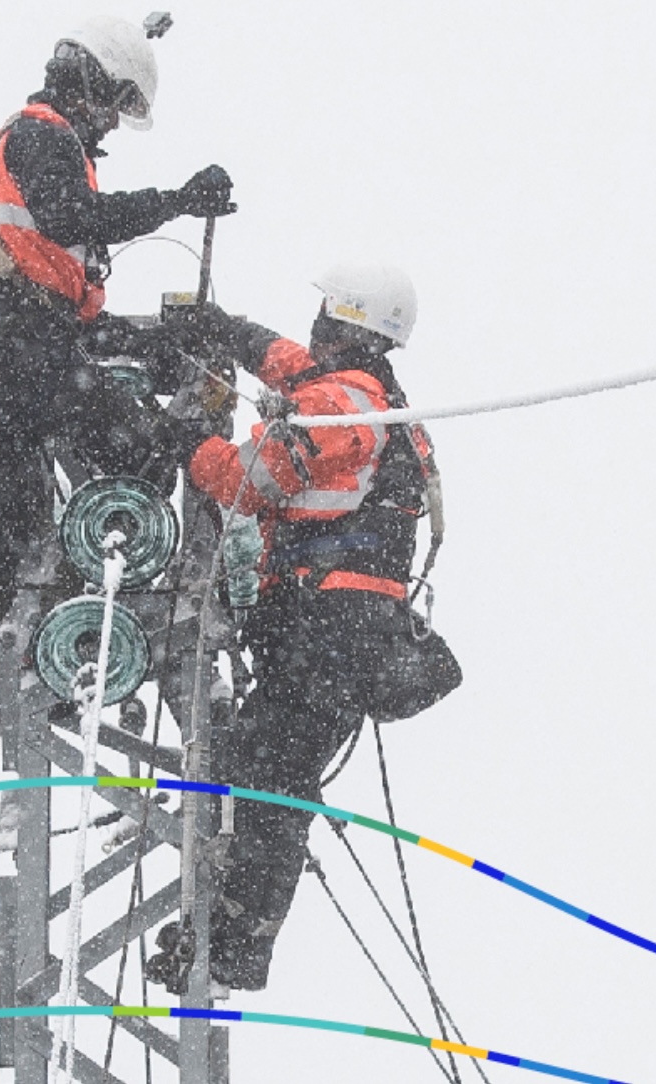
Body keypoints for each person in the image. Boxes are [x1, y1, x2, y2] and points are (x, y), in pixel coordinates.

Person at [148, 262, 462, 991]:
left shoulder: (340, 409)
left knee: (270, 778)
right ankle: (226, 930)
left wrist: (187, 440)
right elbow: (295, 366)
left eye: (328, 309)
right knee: (255, 767)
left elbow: (243, 481)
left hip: (329, 631)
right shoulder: (368, 394)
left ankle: (235, 943)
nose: (316, 319)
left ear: (348, 322)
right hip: (338, 631)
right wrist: (225, 329)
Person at [0, 16, 235, 730]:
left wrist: (129, 340)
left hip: (12, 339)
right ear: (94, 79)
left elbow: (53, 270)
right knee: (132, 451)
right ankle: (35, 647)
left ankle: (14, 658)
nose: (109, 122)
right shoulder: (41, 133)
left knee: (6, 510)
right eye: (113, 102)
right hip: (10, 344)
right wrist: (177, 200)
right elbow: (72, 217)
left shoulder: (43, 144)